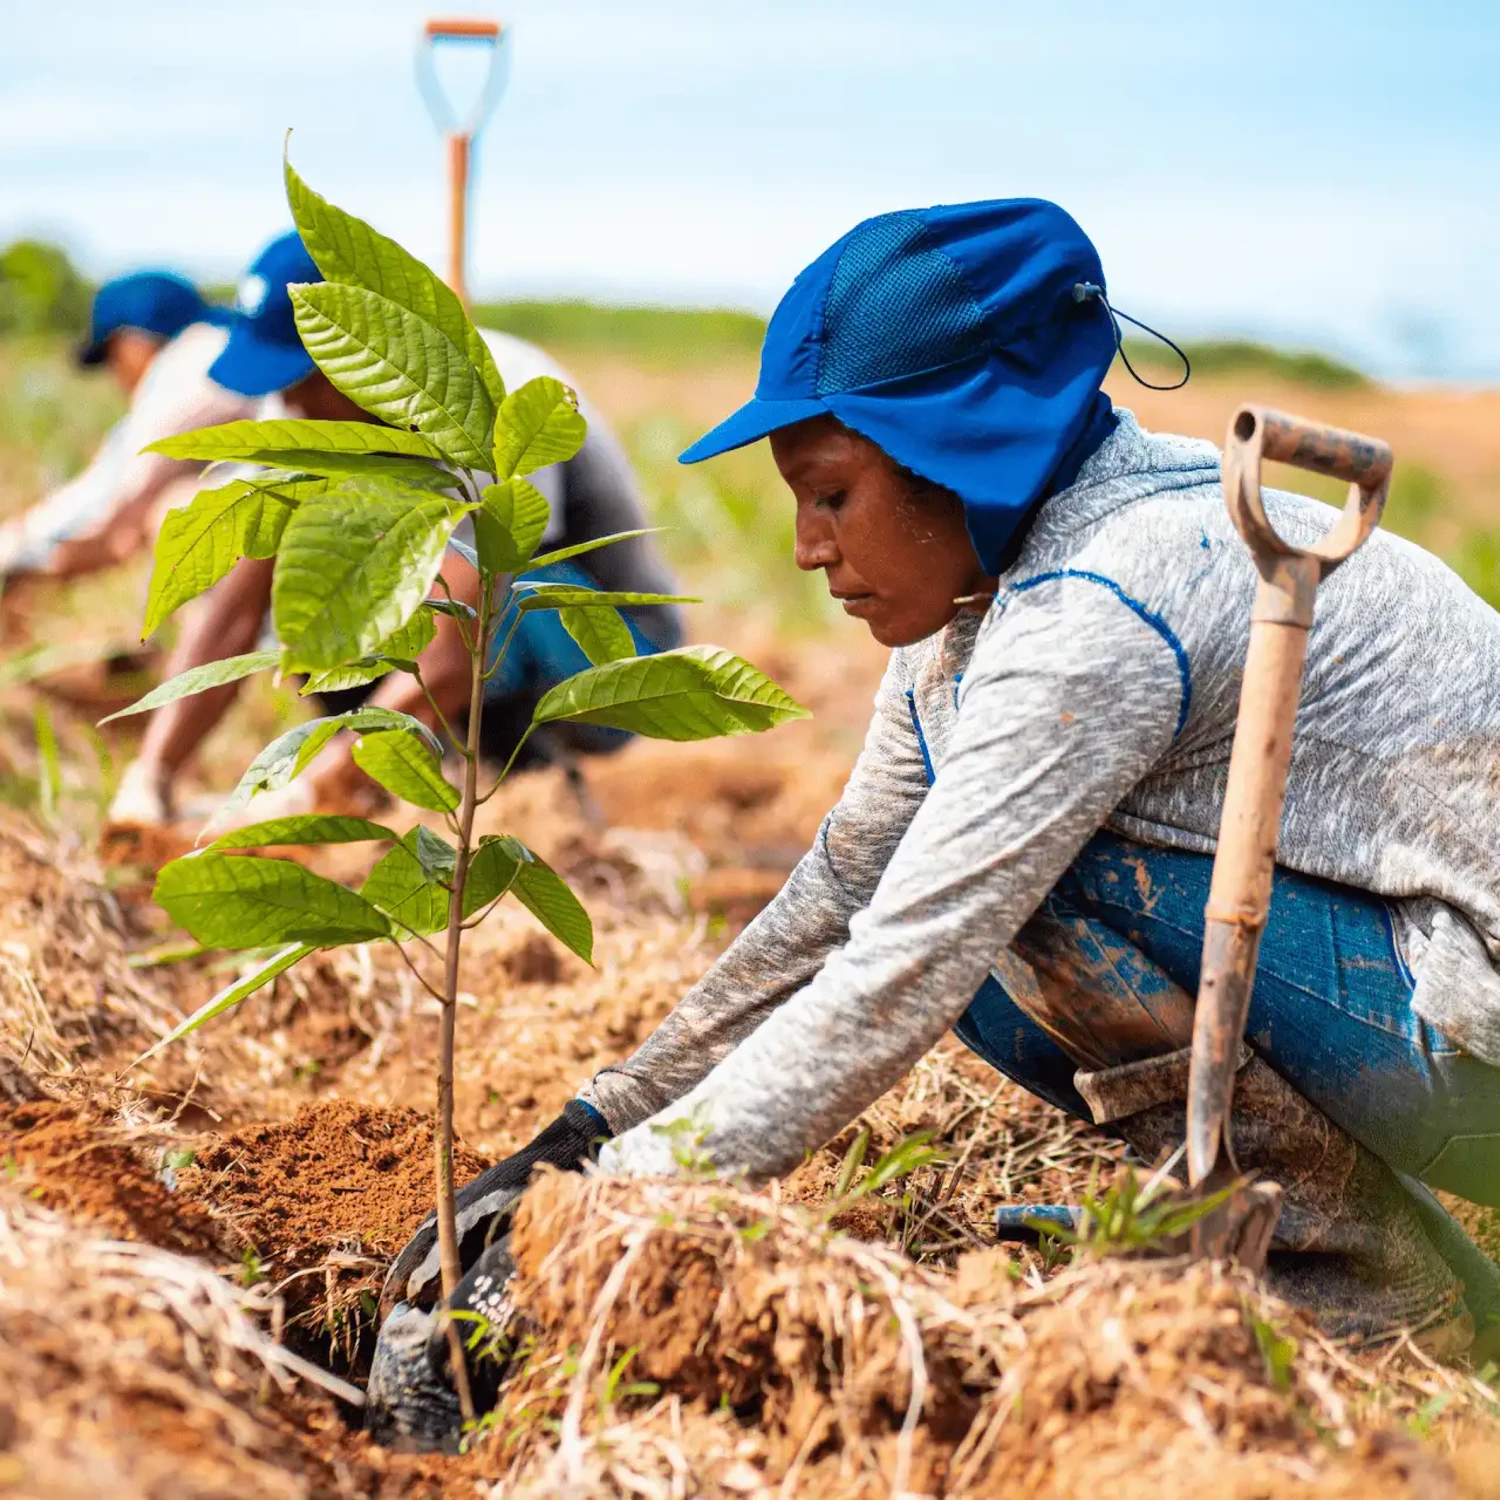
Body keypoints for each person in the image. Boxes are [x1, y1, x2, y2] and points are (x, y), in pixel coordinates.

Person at [367, 197, 1500, 1447]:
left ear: (962, 451)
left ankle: (1355, 1287)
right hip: (1406, 1007)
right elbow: (845, 883)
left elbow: (908, 955)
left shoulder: (1101, 602)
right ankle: (1391, 1275)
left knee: (1013, 891)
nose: (806, 546)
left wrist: (592, 1224)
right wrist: (586, 1131)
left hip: (1476, 1024)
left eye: (833, 495)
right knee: (957, 886)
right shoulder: (986, 596)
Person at [106, 233, 682, 827]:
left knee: (487, 600)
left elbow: (457, 645)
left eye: (304, 380)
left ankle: (521, 773)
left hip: (613, 663)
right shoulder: (299, 408)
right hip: (477, 633)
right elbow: (236, 605)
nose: (291, 403)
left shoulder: (493, 402)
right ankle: (409, 775)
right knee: (313, 578)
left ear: (365, 351)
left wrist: (304, 796)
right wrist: (153, 773)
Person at [0, 271, 249, 585]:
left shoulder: (186, 369)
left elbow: (109, 504)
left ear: (133, 341)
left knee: (177, 512)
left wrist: (15, 548)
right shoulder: (224, 347)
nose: (116, 377)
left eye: (112, 357)